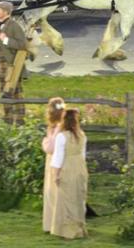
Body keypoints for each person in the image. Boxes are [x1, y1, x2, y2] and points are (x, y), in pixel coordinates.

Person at [50, 108, 88, 239]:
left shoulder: (62, 136)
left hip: (68, 166)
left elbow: (58, 158)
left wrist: (55, 175)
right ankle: (79, 228)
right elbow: (83, 155)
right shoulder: (82, 135)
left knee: (67, 199)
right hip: (80, 167)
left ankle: (68, 230)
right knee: (78, 197)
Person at [0, 1, 28, 125]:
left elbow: (22, 45)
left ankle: (20, 120)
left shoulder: (14, 26)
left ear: (6, 12)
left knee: (15, 92)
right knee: (4, 92)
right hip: (2, 67)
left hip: (13, 66)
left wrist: (6, 40)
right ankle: (8, 118)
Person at [41, 98, 65, 233]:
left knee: (52, 191)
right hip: (60, 159)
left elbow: (51, 147)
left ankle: (53, 223)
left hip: (54, 160)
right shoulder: (62, 125)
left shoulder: (56, 127)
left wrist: (44, 141)